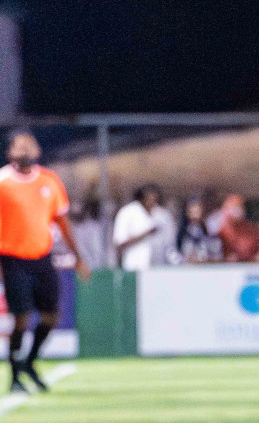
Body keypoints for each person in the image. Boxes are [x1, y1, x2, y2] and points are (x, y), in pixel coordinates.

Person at [0, 132, 90, 393]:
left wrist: (78, 257)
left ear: (38, 151)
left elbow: (62, 222)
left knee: (51, 316)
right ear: (11, 152)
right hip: (13, 258)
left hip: (42, 257)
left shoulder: (49, 180)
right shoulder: (3, 181)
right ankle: (15, 376)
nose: (26, 150)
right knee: (21, 320)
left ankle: (29, 361)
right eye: (20, 146)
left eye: (30, 145)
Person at [112, 185, 165, 271]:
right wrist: (145, 234)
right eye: (150, 198)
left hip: (158, 268)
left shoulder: (161, 214)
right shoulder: (127, 212)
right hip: (134, 267)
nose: (153, 201)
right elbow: (120, 242)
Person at [215, 195, 259, 263]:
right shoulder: (221, 230)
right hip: (229, 267)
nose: (238, 210)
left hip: (252, 265)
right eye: (234, 208)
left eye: (240, 207)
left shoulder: (250, 228)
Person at [176, 198, 223, 263]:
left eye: (198, 212)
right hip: (186, 267)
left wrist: (207, 259)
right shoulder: (182, 233)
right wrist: (185, 259)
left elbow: (217, 254)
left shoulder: (210, 231)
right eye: (192, 212)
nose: (195, 216)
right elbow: (173, 252)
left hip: (206, 267)